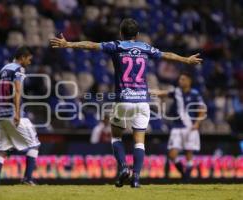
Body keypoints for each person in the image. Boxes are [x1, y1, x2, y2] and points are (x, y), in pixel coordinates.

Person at [50, 18, 202, 188]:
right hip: (142, 102)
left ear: (121, 33)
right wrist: (186, 60)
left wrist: (68, 44)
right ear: (137, 35)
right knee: (139, 142)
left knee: (116, 137)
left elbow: (92, 45)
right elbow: (167, 55)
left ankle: (123, 168)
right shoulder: (145, 47)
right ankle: (136, 177)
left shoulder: (117, 45)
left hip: (123, 101)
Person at [0, 46, 41, 185]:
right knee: (34, 144)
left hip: (1, 114)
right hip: (13, 113)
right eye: (29, 59)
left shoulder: (4, 69)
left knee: (1, 149)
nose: (29, 62)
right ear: (23, 57)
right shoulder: (19, 69)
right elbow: (17, 91)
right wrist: (18, 113)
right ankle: (27, 179)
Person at [150, 72, 206, 180]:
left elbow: (202, 108)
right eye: (180, 79)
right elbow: (162, 93)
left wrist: (197, 123)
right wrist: (147, 92)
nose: (180, 81)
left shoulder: (195, 93)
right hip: (177, 126)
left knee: (189, 153)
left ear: (189, 81)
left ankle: (187, 178)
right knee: (172, 154)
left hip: (190, 126)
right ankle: (184, 173)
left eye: (183, 79)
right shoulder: (177, 92)